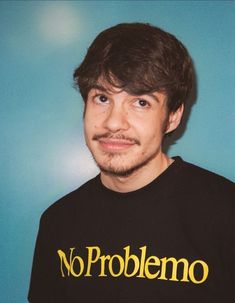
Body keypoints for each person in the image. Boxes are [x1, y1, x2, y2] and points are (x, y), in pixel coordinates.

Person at [28, 23, 234, 302]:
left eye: (141, 103)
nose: (114, 122)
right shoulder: (58, 221)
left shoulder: (226, 212)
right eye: (102, 98)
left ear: (172, 117)